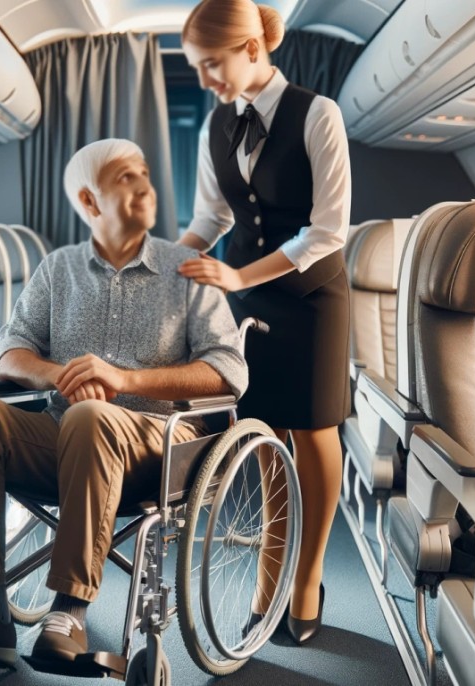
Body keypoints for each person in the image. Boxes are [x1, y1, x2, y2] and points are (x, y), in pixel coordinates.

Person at [0, 138, 249, 670]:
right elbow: (8, 352)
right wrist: (61, 375)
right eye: (124, 179)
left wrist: (125, 377)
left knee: (93, 417)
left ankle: (69, 611)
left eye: (143, 173)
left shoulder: (188, 272)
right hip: (69, 436)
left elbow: (229, 369)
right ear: (89, 203)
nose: (144, 186)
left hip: (161, 446)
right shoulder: (57, 269)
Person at [177, 0, 353, 645]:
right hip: (247, 301)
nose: (205, 81)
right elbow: (211, 219)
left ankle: (306, 584)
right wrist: (165, 259)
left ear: (252, 47)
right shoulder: (217, 125)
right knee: (267, 439)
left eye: (211, 65)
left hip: (311, 300)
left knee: (312, 432)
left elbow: (329, 231)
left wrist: (238, 278)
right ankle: (269, 584)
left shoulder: (318, 115)